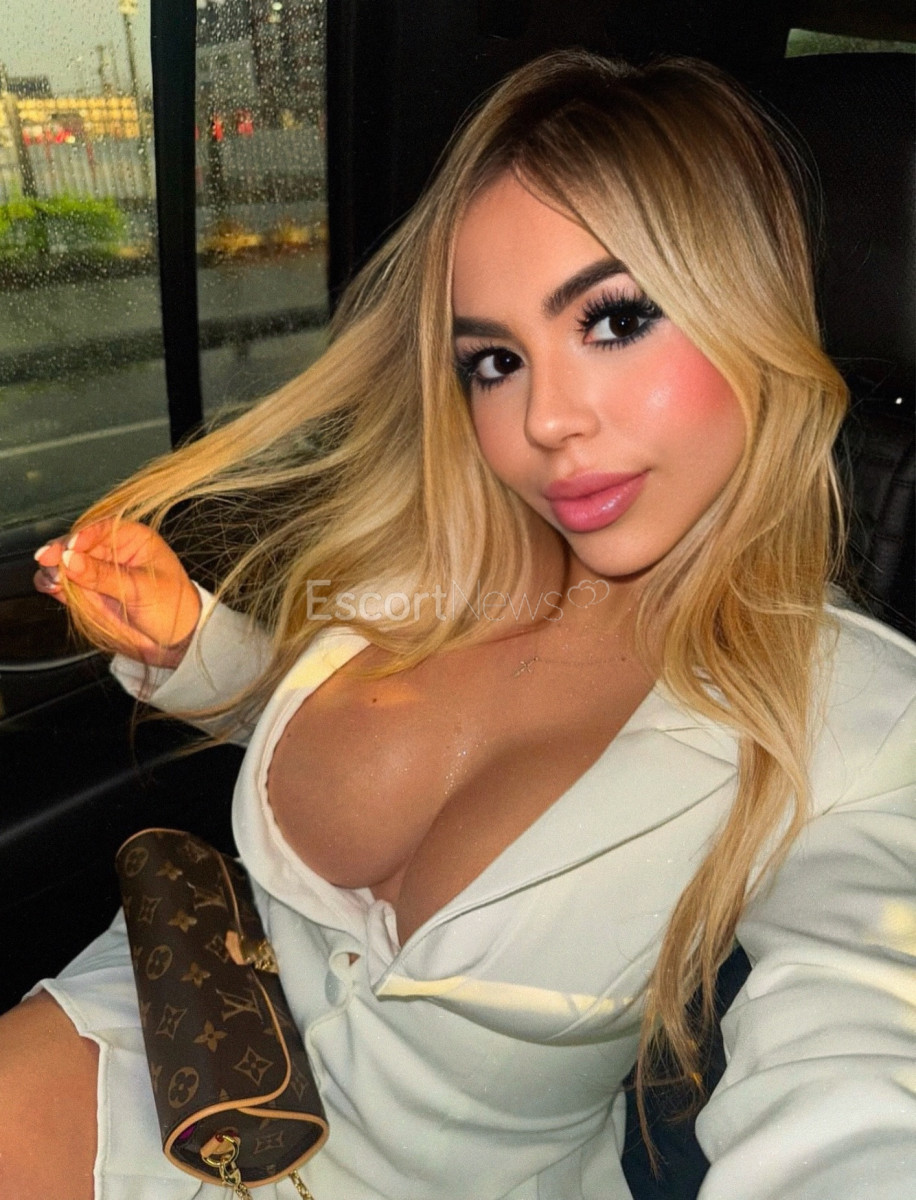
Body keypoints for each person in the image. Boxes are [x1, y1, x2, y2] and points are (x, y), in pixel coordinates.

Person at [1, 49, 914, 1200]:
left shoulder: (862, 718)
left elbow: (862, 1066)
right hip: (186, 1044)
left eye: (615, 319)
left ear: (754, 314)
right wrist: (189, 644)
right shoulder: (432, 555)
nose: (544, 419)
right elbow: (328, 726)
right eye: (493, 358)